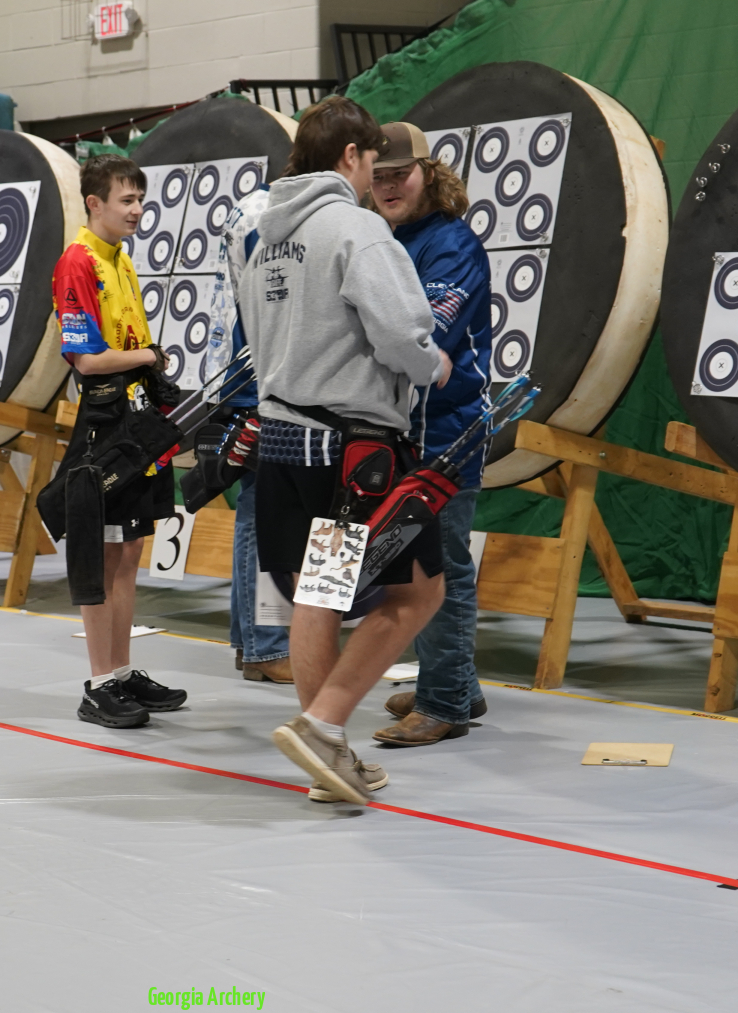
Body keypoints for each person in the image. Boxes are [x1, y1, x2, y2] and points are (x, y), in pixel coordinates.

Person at [239, 97, 452, 803]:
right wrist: (432, 364)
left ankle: (327, 758)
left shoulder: (265, 240)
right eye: (370, 163)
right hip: (348, 455)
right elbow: (400, 333)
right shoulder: (354, 227)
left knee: (319, 592)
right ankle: (324, 723)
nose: (373, 180)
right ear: (351, 156)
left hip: (283, 444)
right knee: (420, 591)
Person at [367, 122, 495, 747]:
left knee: (440, 567)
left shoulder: (451, 243)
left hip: (446, 430)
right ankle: (456, 685)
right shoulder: (386, 240)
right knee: (415, 563)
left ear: (429, 173)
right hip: (404, 430)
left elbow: (422, 338)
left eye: (402, 174)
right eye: (379, 177)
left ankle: (444, 703)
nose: (390, 186)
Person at [50, 154, 188, 729]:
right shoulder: (78, 261)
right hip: (106, 423)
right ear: (95, 203)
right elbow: (86, 359)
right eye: (126, 200)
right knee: (104, 554)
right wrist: (150, 357)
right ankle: (99, 683)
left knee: (129, 551)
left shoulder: (120, 258)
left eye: (139, 199)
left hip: (137, 418)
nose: (137, 210)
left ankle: (122, 671)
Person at [207, 184, 293, 686]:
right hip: (263, 382)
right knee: (265, 513)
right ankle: (266, 646)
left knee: (259, 511)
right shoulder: (270, 213)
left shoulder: (261, 206)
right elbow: (273, 306)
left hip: (252, 379)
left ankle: (252, 643)